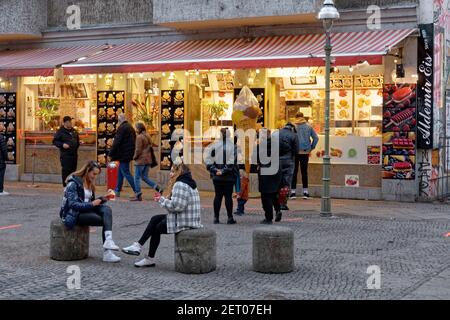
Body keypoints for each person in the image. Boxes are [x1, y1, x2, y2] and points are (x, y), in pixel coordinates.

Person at [122, 159, 202, 267]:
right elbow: (179, 205)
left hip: (185, 221)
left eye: (173, 171)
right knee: (155, 219)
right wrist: (164, 199)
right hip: (188, 218)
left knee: (156, 228)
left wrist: (161, 200)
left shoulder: (180, 184)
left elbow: (177, 207)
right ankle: (139, 247)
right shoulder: (189, 182)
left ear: (179, 172)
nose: (170, 174)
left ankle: (146, 255)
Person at [59, 161, 121, 263]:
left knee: (107, 209)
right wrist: (93, 204)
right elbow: (73, 205)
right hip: (74, 213)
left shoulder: (89, 183)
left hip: (86, 209)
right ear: (87, 171)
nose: (95, 177)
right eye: (94, 174)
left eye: (97, 174)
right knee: (103, 220)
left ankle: (108, 241)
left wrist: (103, 198)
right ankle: (107, 253)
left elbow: (89, 201)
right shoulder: (73, 183)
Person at [205, 128, 239, 225]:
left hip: (217, 176)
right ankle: (230, 218)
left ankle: (216, 218)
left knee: (218, 196)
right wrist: (223, 171)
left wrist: (215, 170)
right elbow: (232, 161)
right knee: (228, 196)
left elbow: (208, 160)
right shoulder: (233, 147)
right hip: (228, 176)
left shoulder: (214, 146)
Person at [254, 129, 283, 224]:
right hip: (276, 171)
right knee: (274, 192)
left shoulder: (259, 146)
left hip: (265, 172)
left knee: (266, 196)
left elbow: (255, 158)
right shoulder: (277, 145)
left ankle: (269, 217)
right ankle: (278, 209)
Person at [109, 113, 138, 200]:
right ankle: (117, 190)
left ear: (119, 120)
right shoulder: (130, 127)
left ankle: (137, 191)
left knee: (125, 172)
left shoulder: (122, 128)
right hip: (127, 153)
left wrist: (111, 153)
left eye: (118, 120)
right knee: (120, 172)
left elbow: (117, 141)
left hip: (123, 154)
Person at [132, 122, 162, 201]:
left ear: (139, 129)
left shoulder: (139, 137)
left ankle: (138, 194)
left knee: (136, 177)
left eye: (136, 128)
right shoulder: (148, 135)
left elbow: (138, 150)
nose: (135, 130)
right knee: (144, 177)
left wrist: (134, 157)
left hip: (141, 160)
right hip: (148, 160)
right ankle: (158, 188)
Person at [291, 112, 319, 199]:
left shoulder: (293, 127)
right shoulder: (308, 126)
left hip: (295, 152)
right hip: (305, 152)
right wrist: (311, 147)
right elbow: (316, 138)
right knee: (304, 172)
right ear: (303, 117)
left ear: (296, 117)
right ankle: (305, 192)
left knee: (294, 172)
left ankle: (293, 193)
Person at [53, 116, 80, 187]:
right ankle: (66, 186)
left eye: (70, 122)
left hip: (74, 155)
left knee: (73, 171)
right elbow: (55, 141)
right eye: (68, 122)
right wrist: (62, 144)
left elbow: (77, 140)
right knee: (66, 171)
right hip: (65, 155)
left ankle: (72, 186)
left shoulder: (74, 131)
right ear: (64, 123)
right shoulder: (60, 131)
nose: (70, 123)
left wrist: (77, 144)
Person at [278, 122, 299, 210]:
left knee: (278, 182)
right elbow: (296, 151)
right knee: (286, 182)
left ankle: (277, 202)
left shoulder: (277, 133)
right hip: (289, 160)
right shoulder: (294, 135)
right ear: (292, 128)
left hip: (277, 161)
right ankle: (283, 203)